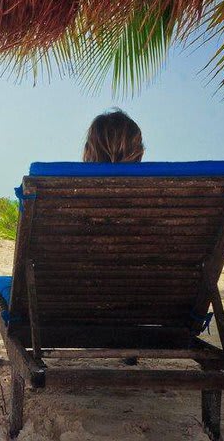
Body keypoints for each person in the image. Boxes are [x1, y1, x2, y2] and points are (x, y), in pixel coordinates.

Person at [84, 109, 143, 366]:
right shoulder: (161, 200)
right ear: (138, 152)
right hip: (153, 311)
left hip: (62, 310)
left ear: (89, 150)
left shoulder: (58, 193)